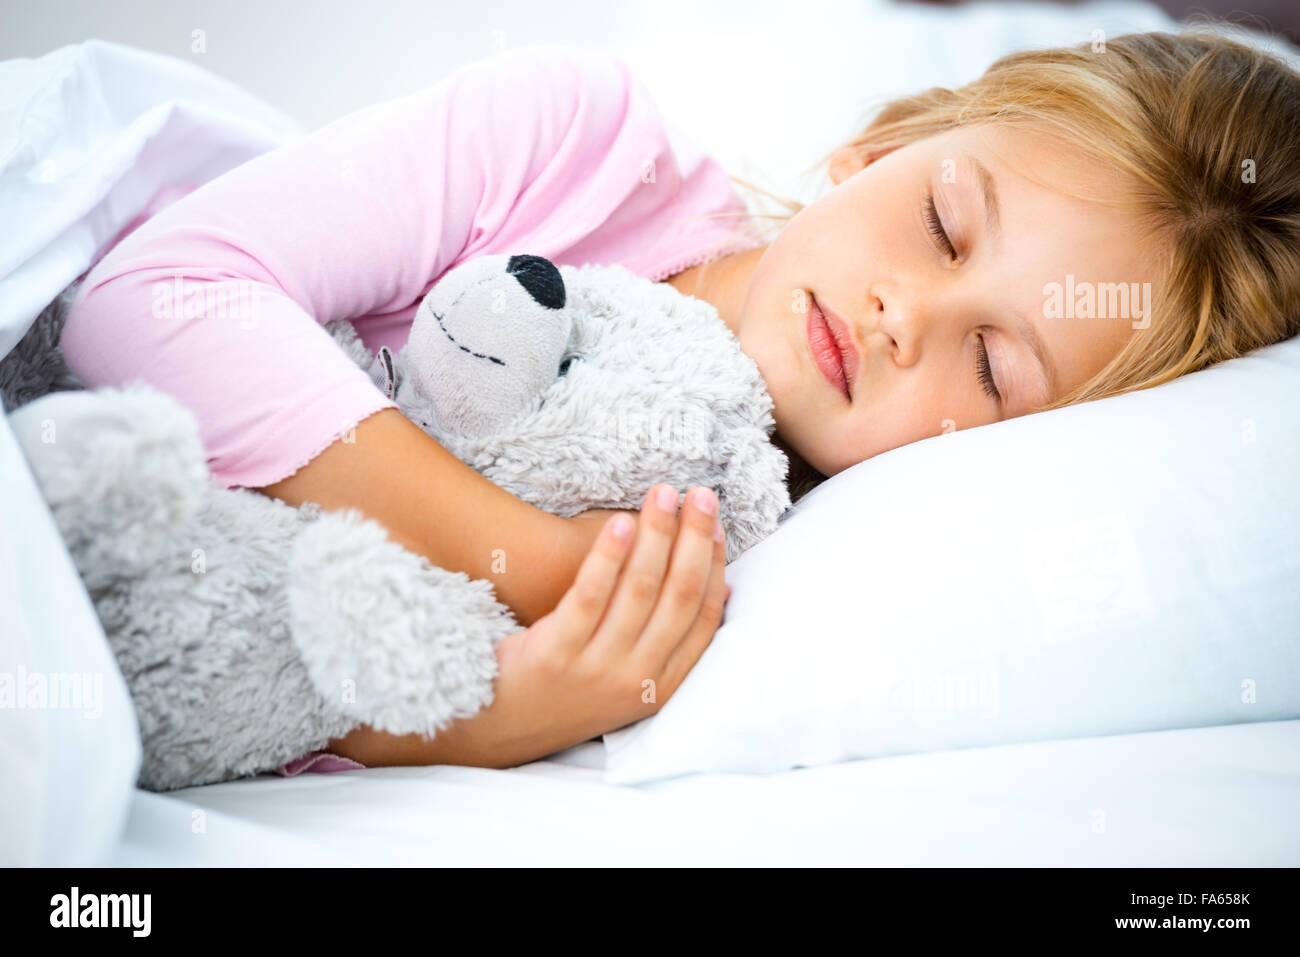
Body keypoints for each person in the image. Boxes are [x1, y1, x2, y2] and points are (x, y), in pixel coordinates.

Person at [60, 30, 1300, 772]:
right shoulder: (571, 142)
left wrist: (492, 719)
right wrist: (535, 564)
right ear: (880, 147)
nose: (902, 316)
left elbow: (242, 694)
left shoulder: (759, 566)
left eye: (991, 367)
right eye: (941, 223)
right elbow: (149, 300)